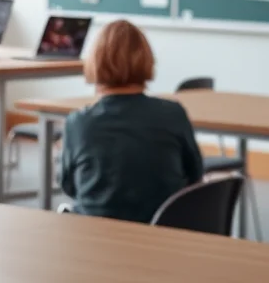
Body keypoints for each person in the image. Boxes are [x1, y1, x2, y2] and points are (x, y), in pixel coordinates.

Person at [60, 20, 203, 223]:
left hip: (96, 238)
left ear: (95, 62)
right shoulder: (173, 114)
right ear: (146, 59)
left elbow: (69, 186)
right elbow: (194, 174)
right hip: (163, 239)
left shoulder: (78, 123)